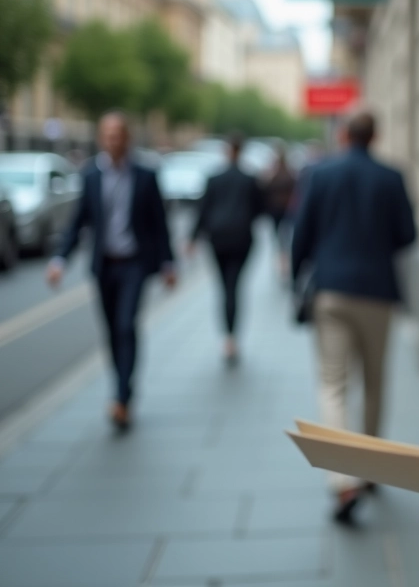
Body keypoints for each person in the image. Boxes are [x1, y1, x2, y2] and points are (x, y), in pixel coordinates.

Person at [292, 111, 417, 524]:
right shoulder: (391, 177)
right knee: (374, 381)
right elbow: (408, 235)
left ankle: (342, 481)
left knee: (333, 384)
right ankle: (371, 470)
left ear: (344, 135)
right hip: (377, 293)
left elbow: (301, 233)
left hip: (331, 290)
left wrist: (296, 279)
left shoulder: (321, 174)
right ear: (375, 135)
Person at [46, 111, 176, 431]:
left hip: (135, 263)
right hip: (104, 265)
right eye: (107, 135)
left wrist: (168, 263)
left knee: (126, 326)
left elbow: (159, 223)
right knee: (111, 331)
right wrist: (60, 260)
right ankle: (120, 386)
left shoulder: (145, 176)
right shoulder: (91, 175)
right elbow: (79, 221)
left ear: (127, 139)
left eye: (117, 135)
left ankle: (122, 397)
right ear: (101, 139)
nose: (112, 141)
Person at [187, 133, 263, 363]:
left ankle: (228, 338)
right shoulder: (249, 179)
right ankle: (232, 338)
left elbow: (203, 210)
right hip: (241, 238)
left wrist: (193, 238)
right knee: (233, 286)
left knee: (225, 287)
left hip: (218, 238)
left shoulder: (214, 178)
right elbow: (260, 209)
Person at [262, 145, 296, 280]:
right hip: (286, 209)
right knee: (285, 237)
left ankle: (281, 260)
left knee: (278, 237)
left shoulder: (273, 175)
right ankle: (283, 259)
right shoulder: (290, 173)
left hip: (276, 210)